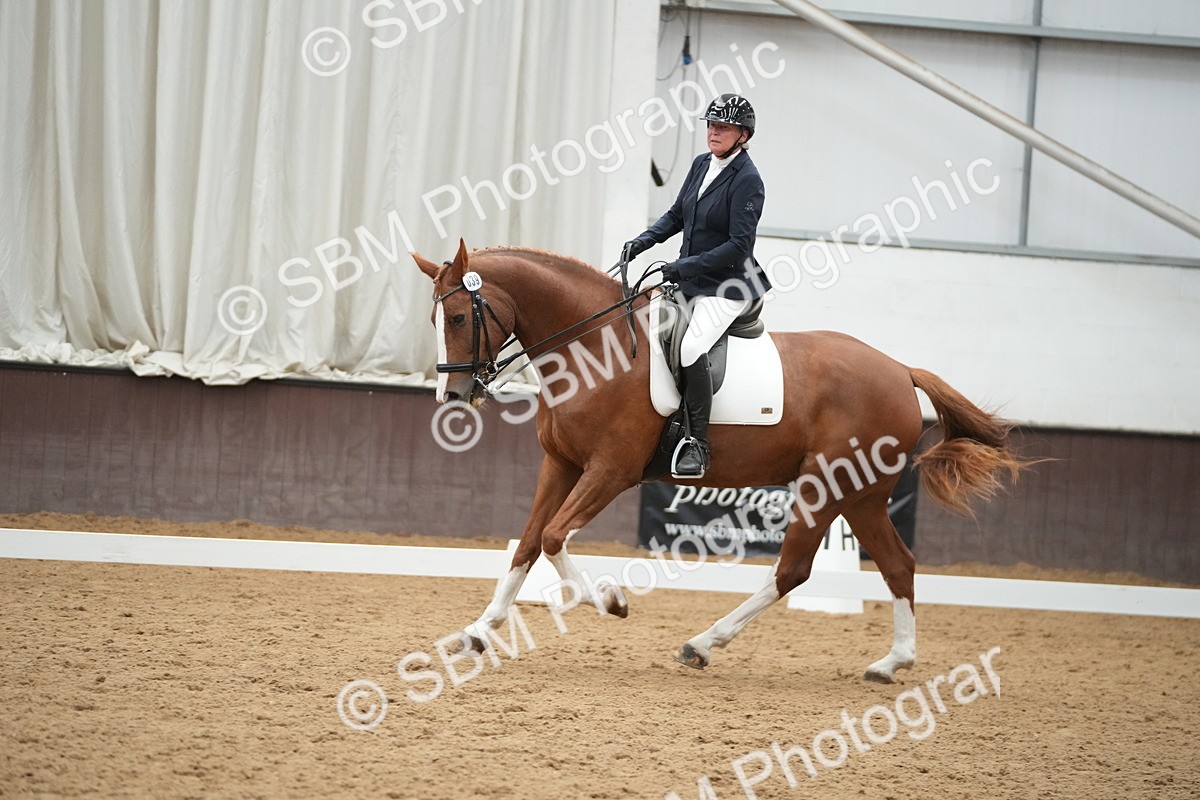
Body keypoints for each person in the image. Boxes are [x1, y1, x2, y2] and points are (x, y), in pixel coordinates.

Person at [623, 93, 771, 479]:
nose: (714, 132)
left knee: (691, 348)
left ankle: (696, 443)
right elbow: (677, 214)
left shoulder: (749, 180)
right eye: (711, 125)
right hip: (691, 280)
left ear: (743, 135)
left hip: (729, 286)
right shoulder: (701, 164)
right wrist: (643, 241)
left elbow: (738, 246)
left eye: (723, 127)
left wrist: (684, 266)